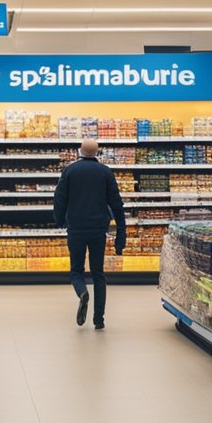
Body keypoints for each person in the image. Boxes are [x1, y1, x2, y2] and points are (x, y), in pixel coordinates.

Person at [53, 138, 126, 330]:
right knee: (98, 274)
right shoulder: (105, 172)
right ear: (97, 153)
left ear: (80, 151)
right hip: (98, 230)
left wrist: (59, 220)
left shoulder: (70, 170)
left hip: (76, 228)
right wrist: (121, 233)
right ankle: (99, 319)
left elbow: (59, 198)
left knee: (76, 270)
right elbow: (117, 204)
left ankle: (82, 292)